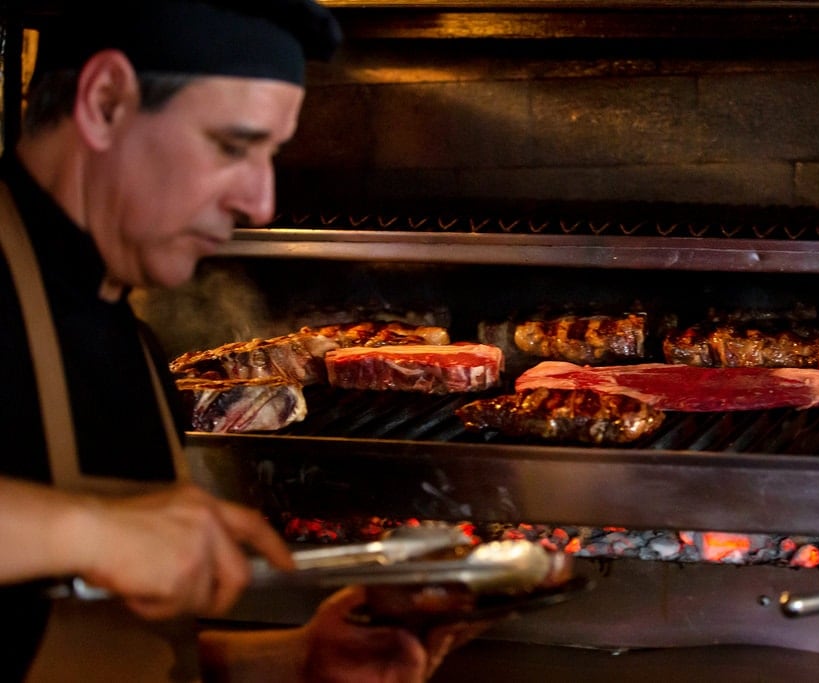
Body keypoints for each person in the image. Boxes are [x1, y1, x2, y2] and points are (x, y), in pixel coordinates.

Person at [0, 1, 486, 680]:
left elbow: (113, 648)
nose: (261, 201)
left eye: (272, 154)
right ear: (106, 102)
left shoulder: (131, 343)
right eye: (233, 145)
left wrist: (292, 657)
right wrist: (89, 530)